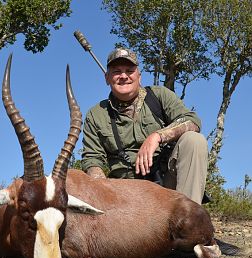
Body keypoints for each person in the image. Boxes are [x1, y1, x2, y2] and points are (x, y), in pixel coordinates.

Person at [81, 48, 208, 204]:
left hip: (165, 185)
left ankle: (191, 219)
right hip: (125, 195)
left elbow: (192, 121)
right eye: (116, 71)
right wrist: (102, 191)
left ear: (139, 77)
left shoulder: (159, 95)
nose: (123, 76)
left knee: (194, 140)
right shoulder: (96, 114)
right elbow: (92, 159)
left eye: (129, 71)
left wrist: (157, 137)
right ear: (107, 78)